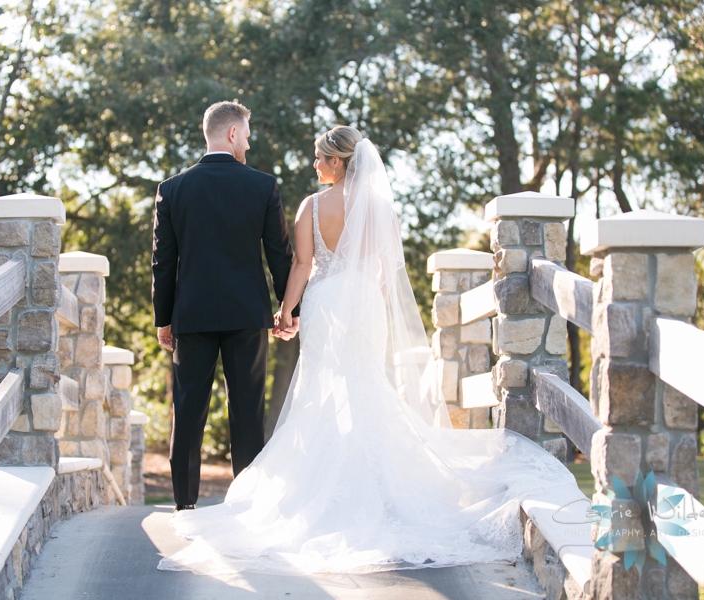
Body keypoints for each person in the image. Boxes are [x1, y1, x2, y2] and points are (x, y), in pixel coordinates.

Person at [157, 126, 578, 575]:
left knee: (324, 390)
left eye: (320, 158)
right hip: (363, 303)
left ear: (337, 163)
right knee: (365, 385)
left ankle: (316, 490)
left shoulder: (312, 207)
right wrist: (368, 298)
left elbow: (300, 264)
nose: (315, 165)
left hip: (324, 303)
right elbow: (386, 270)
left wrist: (286, 312)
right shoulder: (379, 207)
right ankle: (379, 488)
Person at [151, 101, 299, 513]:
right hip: (246, 316)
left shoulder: (172, 188)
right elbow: (280, 256)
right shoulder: (263, 186)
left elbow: (163, 262)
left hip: (191, 318)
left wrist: (163, 319)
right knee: (247, 414)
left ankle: (184, 507)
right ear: (232, 133)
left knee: (188, 411)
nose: (248, 145)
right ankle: (245, 509)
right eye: (247, 136)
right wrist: (290, 310)